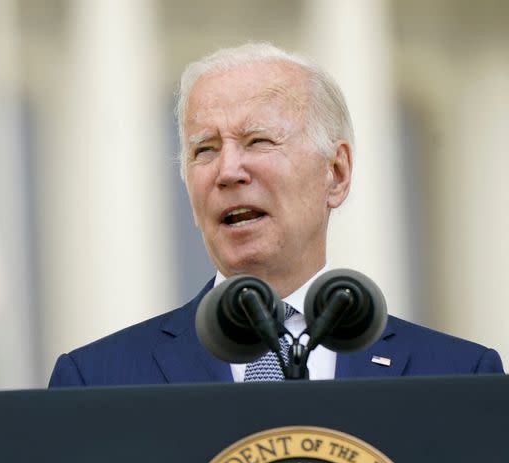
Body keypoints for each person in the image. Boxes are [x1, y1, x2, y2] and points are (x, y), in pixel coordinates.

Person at [48, 42, 503, 387]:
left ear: (337, 173)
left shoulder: (459, 376)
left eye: (258, 142)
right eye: (204, 150)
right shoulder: (95, 380)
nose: (227, 171)